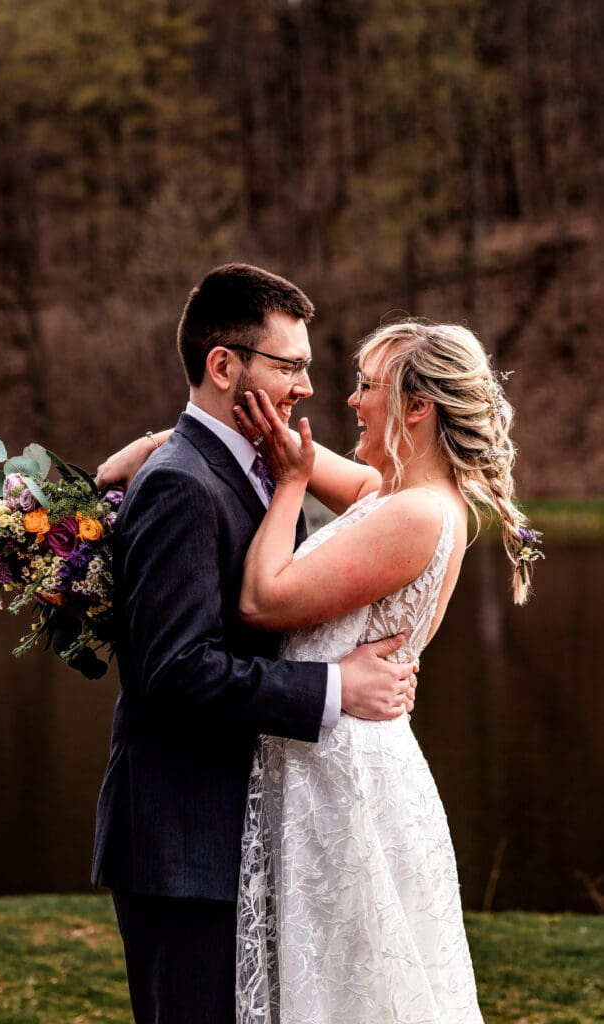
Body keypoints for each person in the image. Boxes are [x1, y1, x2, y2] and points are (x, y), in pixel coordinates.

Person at [91, 263, 417, 1024]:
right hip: (184, 842)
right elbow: (176, 673)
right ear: (222, 365)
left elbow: (387, 496)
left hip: (237, 834)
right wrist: (337, 688)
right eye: (289, 365)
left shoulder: (252, 468)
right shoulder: (181, 483)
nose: (306, 385)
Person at [231, 320, 540, 1023]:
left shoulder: (414, 515)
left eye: (367, 386)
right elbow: (293, 451)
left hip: (343, 776)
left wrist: (286, 490)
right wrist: (163, 447)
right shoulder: (393, 495)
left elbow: (262, 599)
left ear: (417, 406)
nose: (350, 401)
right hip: (341, 761)